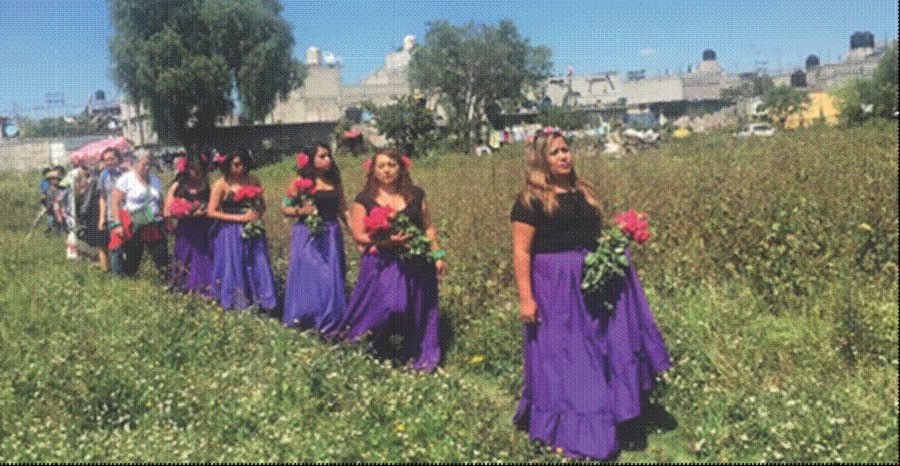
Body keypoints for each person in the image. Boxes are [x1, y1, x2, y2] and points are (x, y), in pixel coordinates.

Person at [510, 128, 671, 460]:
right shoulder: (530, 200)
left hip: (592, 280)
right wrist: (527, 297)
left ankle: (612, 416)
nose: (564, 157)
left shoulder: (585, 192)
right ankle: (569, 427)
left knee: (600, 348)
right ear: (542, 159)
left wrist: (616, 243)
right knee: (565, 355)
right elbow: (521, 252)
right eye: (555, 152)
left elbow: (594, 235)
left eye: (566, 150)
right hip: (554, 285)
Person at [329, 149, 446, 371]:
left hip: (417, 261)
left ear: (401, 168)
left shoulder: (416, 195)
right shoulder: (364, 199)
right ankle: (363, 344)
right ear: (373, 170)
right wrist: (386, 241)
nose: (386, 170)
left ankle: (416, 355)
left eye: (391, 165)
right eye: (381, 166)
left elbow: (428, 227)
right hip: (382, 263)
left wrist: (437, 255)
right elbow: (359, 234)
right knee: (393, 307)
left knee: (420, 309)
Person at [281, 143, 349, 332]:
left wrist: (356, 234)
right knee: (310, 276)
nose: (328, 159)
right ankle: (305, 318)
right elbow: (284, 206)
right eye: (322, 156)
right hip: (307, 234)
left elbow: (343, 209)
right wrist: (301, 210)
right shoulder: (300, 181)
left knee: (330, 278)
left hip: (331, 232)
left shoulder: (335, 180)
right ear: (311, 159)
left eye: (329, 156)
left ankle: (329, 321)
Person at [207, 151, 277, 311]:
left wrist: (256, 214)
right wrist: (240, 218)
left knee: (255, 262)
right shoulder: (221, 184)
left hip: (252, 230)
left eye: (243, 164)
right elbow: (211, 212)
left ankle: (260, 300)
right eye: (236, 164)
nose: (240, 167)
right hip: (229, 231)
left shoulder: (253, 180)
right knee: (234, 265)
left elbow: (262, 205)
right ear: (228, 165)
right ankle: (234, 302)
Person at [109, 150, 169, 279]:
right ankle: (128, 282)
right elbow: (115, 203)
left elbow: (160, 201)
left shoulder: (154, 180)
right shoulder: (126, 179)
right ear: (135, 163)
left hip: (154, 223)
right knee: (134, 257)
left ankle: (166, 281)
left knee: (161, 255)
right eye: (144, 164)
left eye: (149, 165)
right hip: (135, 223)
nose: (147, 168)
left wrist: (166, 220)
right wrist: (117, 224)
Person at [164, 152, 213, 296]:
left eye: (199, 170)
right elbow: (167, 211)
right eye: (193, 170)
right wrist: (184, 213)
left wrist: (203, 211)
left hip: (203, 227)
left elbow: (213, 205)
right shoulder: (178, 186)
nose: (196, 173)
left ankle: (204, 288)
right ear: (187, 169)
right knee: (184, 256)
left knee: (202, 257)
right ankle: (182, 287)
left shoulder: (205, 185)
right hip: (185, 228)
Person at [97, 148, 126, 272]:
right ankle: (117, 277)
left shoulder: (126, 174)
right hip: (112, 216)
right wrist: (102, 218)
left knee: (130, 246)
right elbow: (102, 198)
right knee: (115, 246)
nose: (109, 162)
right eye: (106, 160)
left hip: (127, 214)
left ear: (118, 159)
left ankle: (128, 272)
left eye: (111, 159)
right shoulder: (104, 175)